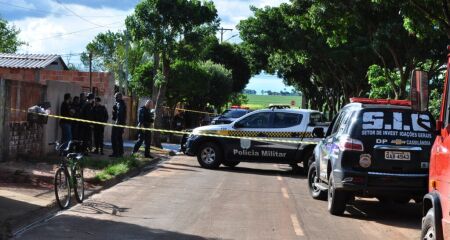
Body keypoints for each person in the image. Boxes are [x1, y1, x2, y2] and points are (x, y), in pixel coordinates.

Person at [110, 92, 127, 157]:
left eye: (116, 97)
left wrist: (117, 122)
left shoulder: (120, 103)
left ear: (119, 97)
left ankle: (115, 153)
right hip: (121, 124)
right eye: (115, 97)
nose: (115, 98)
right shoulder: (121, 103)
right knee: (119, 138)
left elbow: (120, 113)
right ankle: (120, 153)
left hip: (118, 124)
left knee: (114, 138)